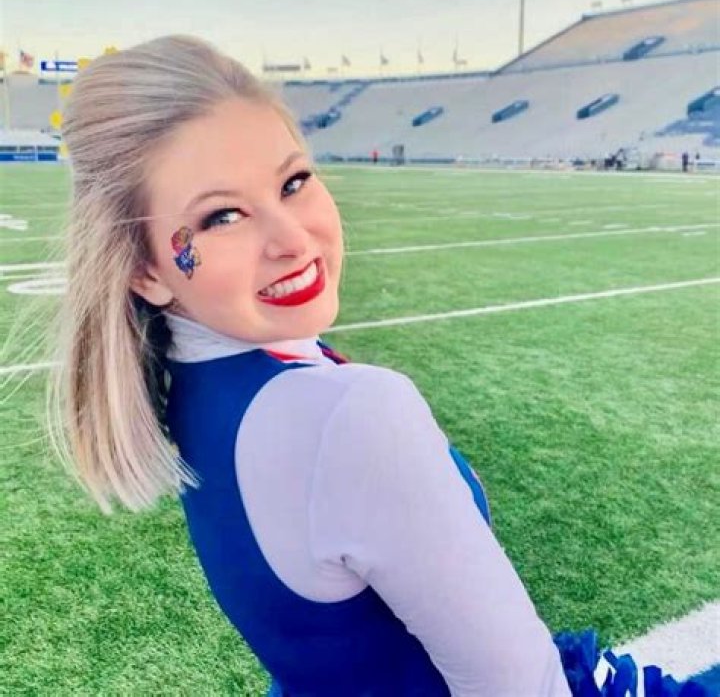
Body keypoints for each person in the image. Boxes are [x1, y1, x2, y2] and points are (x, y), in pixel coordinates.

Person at [48, 36, 709, 697]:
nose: (293, 239)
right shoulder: (348, 415)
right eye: (222, 216)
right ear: (144, 270)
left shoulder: (190, 382)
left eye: (293, 182)